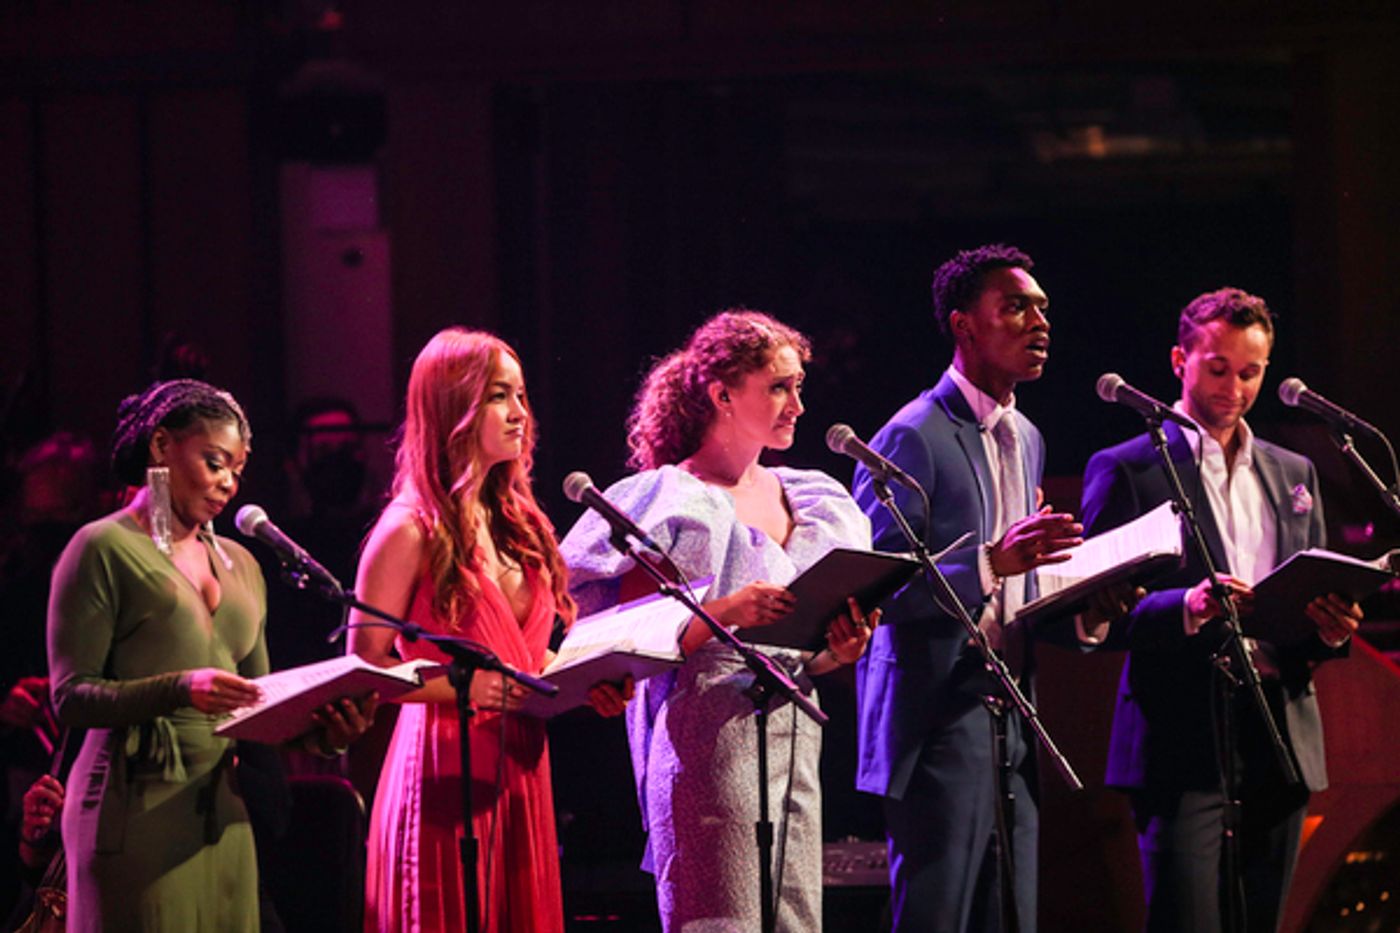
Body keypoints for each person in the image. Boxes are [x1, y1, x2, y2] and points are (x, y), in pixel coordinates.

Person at [561, 309, 877, 932]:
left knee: (794, 922)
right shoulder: (669, 499)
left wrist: (841, 649)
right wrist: (723, 612)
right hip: (706, 733)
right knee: (720, 920)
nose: (797, 404)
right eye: (779, 387)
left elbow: (807, 642)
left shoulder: (809, 496)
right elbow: (628, 635)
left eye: (798, 386)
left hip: (794, 729)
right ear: (722, 393)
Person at [1080, 287, 1362, 932]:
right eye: (1217, 368)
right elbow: (1093, 611)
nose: (1233, 386)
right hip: (1182, 729)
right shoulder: (1129, 469)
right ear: (1180, 359)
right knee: (1187, 920)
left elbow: (1309, 592)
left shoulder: (1292, 471)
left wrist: (1330, 627)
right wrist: (1188, 605)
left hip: (1278, 726)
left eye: (1250, 371)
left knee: (1261, 918)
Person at [46, 379, 373, 932]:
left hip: (224, 811)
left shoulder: (244, 565)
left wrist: (325, 732)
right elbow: (70, 697)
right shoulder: (102, 548)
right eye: (215, 462)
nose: (228, 484)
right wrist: (179, 688)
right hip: (133, 808)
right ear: (160, 447)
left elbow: (259, 706)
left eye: (237, 471)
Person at [851, 244, 1093, 933]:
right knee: (937, 916)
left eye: (1043, 308)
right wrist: (991, 561)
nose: (1039, 322)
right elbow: (878, 588)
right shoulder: (911, 435)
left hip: (1013, 707)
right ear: (964, 326)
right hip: (937, 717)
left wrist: (1086, 597)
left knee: (1009, 914)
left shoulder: (1029, 435)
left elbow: (1021, 582)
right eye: (1015, 307)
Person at [352, 328, 613, 933]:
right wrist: (462, 690)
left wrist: (583, 681)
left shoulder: (522, 523)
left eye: (521, 395)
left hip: (522, 770)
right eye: (501, 396)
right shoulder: (408, 529)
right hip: (443, 773)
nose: (521, 412)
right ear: (454, 406)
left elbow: (529, 659)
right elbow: (361, 672)